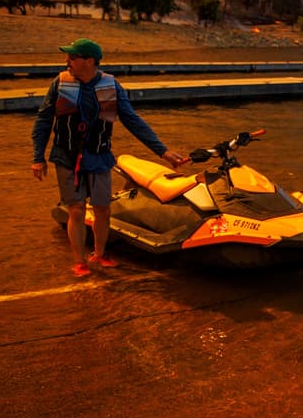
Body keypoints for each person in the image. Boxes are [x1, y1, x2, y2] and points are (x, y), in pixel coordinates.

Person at [31, 38, 187, 277]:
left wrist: (162, 151)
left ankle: (100, 254)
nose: (67, 61)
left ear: (89, 61)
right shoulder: (60, 83)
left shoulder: (111, 86)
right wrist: (38, 157)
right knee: (76, 209)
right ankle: (79, 261)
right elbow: (43, 120)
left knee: (102, 209)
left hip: (100, 157)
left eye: (73, 57)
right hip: (66, 157)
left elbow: (133, 120)